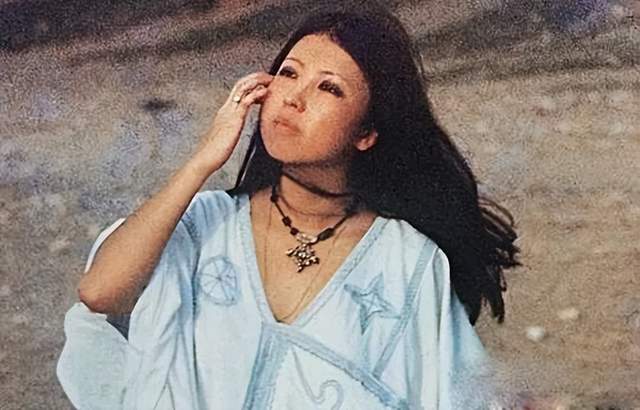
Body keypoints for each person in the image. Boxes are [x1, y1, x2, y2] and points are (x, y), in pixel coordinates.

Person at [56, 2, 522, 408]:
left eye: (328, 88)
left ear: (366, 133)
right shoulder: (202, 225)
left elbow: (454, 395)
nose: (294, 98)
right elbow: (100, 294)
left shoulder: (407, 261)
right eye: (288, 73)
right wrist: (203, 159)